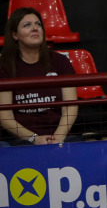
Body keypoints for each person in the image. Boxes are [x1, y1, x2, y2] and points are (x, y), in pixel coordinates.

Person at [0, 8, 79, 147]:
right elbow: (5, 117)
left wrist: (58, 138)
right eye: (27, 25)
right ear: (14, 35)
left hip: (60, 137)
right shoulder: (5, 66)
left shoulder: (60, 61)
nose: (35, 28)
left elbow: (70, 107)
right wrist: (34, 138)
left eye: (38, 24)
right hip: (21, 140)